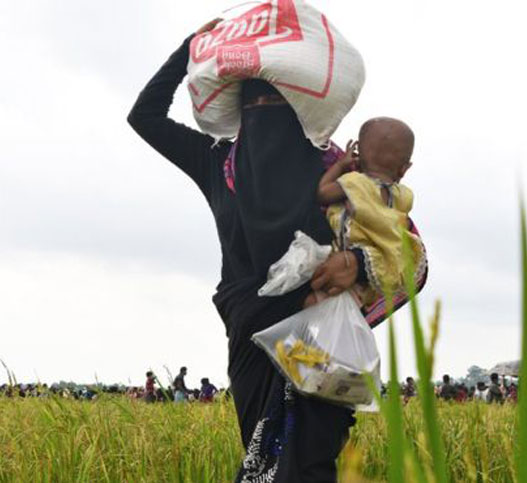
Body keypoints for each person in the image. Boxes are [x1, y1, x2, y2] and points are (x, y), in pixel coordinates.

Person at [127, 19, 428, 483]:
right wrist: (190, 48)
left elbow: (410, 256)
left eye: (277, 104)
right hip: (249, 339)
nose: (265, 113)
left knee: (307, 467)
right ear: (241, 112)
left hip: (317, 339)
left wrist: (356, 264)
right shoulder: (217, 162)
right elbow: (144, 117)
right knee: (262, 463)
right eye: (254, 104)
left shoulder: (333, 169)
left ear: (299, 112)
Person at [313, 119, 423, 307]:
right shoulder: (402, 195)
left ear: (358, 157)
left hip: (340, 261)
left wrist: (340, 166)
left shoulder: (354, 183)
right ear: (404, 169)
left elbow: (323, 193)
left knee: (314, 303)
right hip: (378, 270)